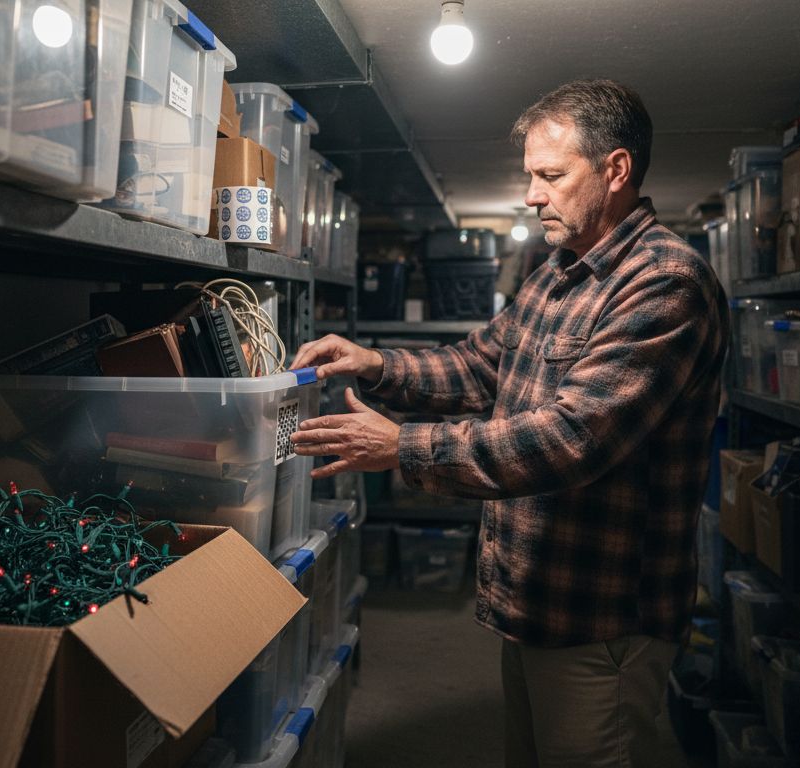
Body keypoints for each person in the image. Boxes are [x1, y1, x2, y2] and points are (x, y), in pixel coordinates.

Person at [290, 78, 729, 768]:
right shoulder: (556, 272)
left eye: (551, 175)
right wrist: (373, 362)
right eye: (531, 176)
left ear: (615, 170)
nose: (532, 195)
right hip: (533, 603)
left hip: (603, 617)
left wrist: (400, 446)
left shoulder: (665, 282)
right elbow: (477, 367)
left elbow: (569, 438)